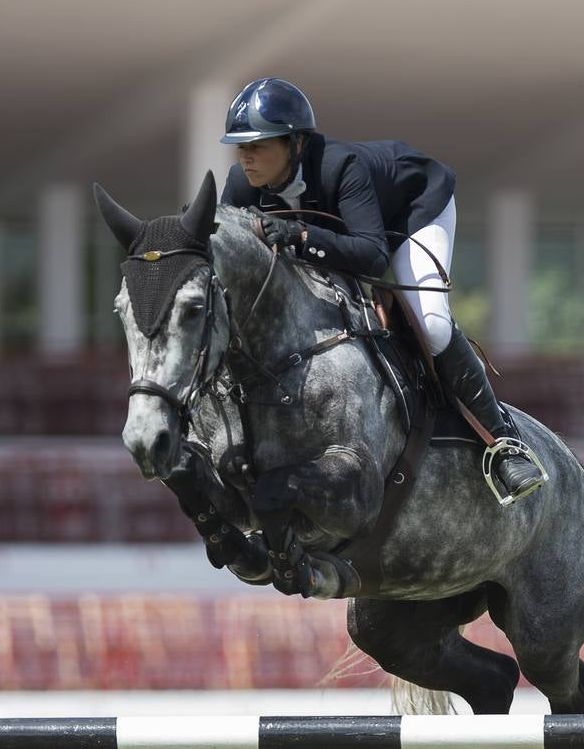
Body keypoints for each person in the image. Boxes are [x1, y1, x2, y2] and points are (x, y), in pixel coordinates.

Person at [218, 77, 546, 502]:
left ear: (296, 143)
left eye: (258, 145)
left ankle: (504, 445)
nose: (246, 157)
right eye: (241, 147)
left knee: (432, 325)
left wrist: (299, 237)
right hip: (348, 235)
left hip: (410, 216)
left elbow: (372, 254)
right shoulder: (243, 185)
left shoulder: (341, 165)